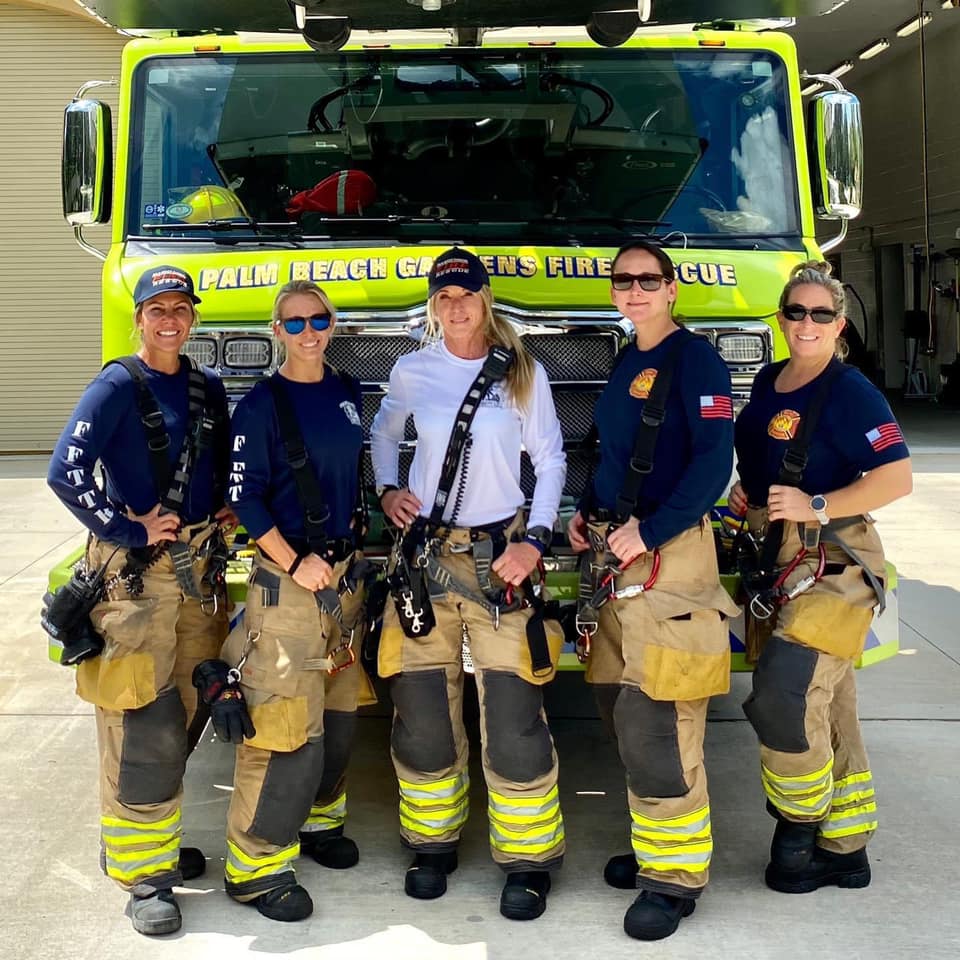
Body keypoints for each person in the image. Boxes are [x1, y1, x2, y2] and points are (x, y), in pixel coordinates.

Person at [370, 247, 567, 921]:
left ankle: (529, 860)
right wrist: (388, 488)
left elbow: (550, 456)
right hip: (425, 561)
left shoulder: (520, 374)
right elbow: (382, 433)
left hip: (498, 560)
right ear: (434, 304)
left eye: (467, 294)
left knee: (513, 717)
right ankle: (432, 845)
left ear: (485, 300)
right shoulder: (411, 369)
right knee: (421, 712)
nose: (455, 306)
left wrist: (535, 539)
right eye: (444, 296)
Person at [46, 265, 232, 936]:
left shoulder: (208, 388)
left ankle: (148, 840)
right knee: (138, 724)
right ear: (139, 318)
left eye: (180, 308)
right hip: (135, 579)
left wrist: (226, 510)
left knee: (184, 708)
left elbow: (216, 468)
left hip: (196, 575)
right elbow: (63, 470)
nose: (170, 320)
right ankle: (145, 877)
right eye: (157, 309)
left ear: (192, 316)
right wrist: (126, 528)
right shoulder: (117, 385)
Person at [567, 240, 740, 941]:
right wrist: (587, 508)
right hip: (616, 555)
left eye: (648, 279)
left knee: (662, 718)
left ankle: (673, 880)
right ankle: (653, 846)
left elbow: (714, 461)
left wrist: (654, 531)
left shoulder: (694, 360)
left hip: (667, 559)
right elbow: (611, 454)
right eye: (623, 280)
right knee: (617, 702)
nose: (634, 289)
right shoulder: (628, 360)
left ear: (672, 288)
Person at [728, 261, 911, 895]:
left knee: (783, 692)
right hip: (776, 560)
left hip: (834, 561)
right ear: (780, 318)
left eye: (822, 314)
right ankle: (846, 846)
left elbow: (897, 476)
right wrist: (742, 498)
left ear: (841, 325)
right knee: (829, 702)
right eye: (796, 311)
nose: (807, 323)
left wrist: (818, 505)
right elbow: (760, 468)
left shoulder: (851, 391)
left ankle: (799, 826)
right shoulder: (767, 381)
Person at [208, 280, 373, 922]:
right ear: (277, 331)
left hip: (343, 579)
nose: (308, 331)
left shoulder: (346, 392)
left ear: (332, 325)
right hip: (290, 584)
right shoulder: (260, 407)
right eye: (295, 322)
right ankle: (255, 869)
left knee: (337, 713)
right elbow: (246, 498)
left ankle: (321, 825)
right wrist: (292, 559)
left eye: (318, 319)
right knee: (281, 726)